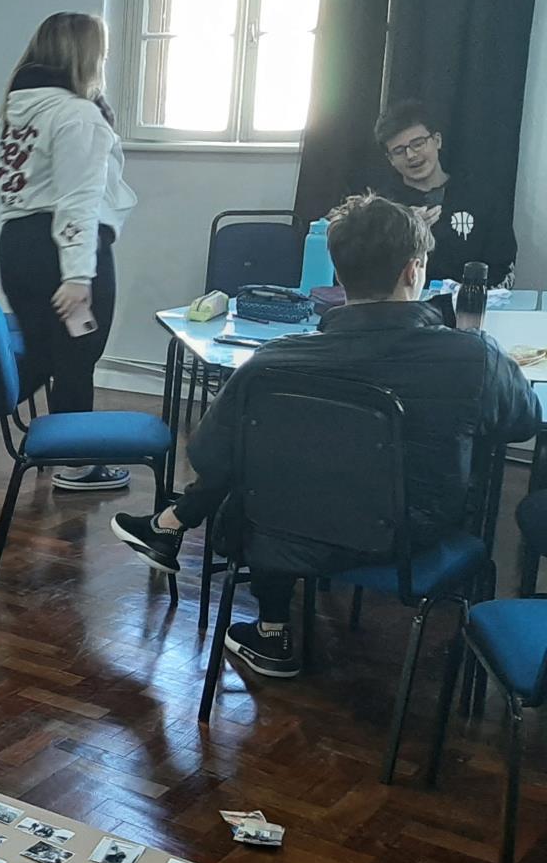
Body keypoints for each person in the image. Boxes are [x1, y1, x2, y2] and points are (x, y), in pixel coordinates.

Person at [110, 194, 534, 677]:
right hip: (407, 539)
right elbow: (520, 424)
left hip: (288, 528)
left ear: (336, 275)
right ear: (414, 271)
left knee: (258, 484)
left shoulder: (270, 363)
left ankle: (270, 631)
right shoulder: (474, 358)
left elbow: (209, 453)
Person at [0, 11, 139, 493]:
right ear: (82, 56)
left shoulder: (13, 113)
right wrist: (77, 274)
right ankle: (79, 463)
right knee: (78, 352)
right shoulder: (77, 115)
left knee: (43, 355)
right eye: (101, 55)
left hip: (18, 247)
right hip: (64, 249)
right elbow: (79, 198)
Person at [373, 99, 517, 287]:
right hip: (404, 309)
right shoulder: (380, 208)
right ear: (390, 159)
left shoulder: (482, 198)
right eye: (399, 151)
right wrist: (404, 233)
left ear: (437, 140)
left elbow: (502, 266)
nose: (411, 155)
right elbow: (368, 275)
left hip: (469, 307)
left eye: (418, 143)